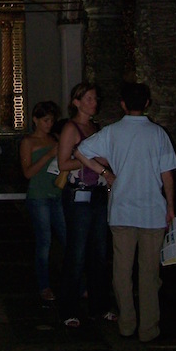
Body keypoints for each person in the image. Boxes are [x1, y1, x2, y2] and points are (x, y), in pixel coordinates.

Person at [75, 81, 176, 343]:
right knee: (149, 272)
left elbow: (82, 150)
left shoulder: (112, 132)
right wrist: (170, 206)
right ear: (146, 103)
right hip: (152, 211)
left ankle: (127, 322)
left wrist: (105, 172)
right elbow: (167, 174)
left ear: (122, 104)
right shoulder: (157, 134)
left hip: (122, 209)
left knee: (121, 269)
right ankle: (148, 328)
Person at [57, 82, 114, 327]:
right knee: (77, 252)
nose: (94, 103)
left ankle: (99, 306)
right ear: (76, 102)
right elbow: (63, 163)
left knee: (100, 252)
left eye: (95, 98)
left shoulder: (96, 128)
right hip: (79, 196)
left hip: (98, 194)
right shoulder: (71, 128)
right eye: (89, 99)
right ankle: (69, 308)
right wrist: (90, 162)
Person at [19, 100, 66, 302]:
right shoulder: (28, 142)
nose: (49, 124)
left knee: (68, 239)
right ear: (36, 120)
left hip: (56, 195)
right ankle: (44, 285)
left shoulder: (55, 139)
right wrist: (49, 154)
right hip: (38, 197)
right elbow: (28, 172)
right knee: (44, 242)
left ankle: (75, 282)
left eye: (51, 120)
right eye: (45, 120)